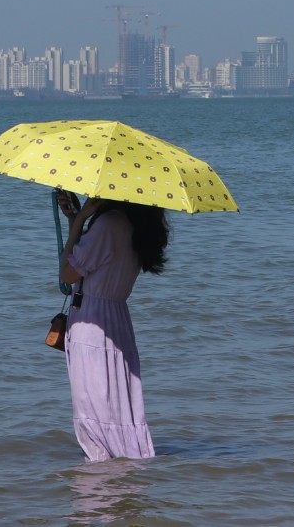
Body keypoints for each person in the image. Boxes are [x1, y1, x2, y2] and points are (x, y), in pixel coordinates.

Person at [57, 191, 170, 461]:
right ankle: (122, 472)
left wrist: (80, 218)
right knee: (114, 403)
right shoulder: (131, 224)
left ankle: (99, 483)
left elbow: (68, 273)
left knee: (92, 406)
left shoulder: (108, 224)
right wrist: (76, 218)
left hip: (92, 321)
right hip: (117, 319)